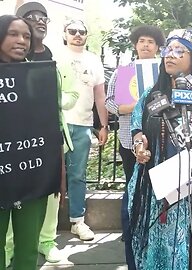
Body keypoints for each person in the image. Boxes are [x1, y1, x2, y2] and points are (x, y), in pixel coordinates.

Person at [128, 28, 192, 269]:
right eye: (168, 50)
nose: (170, 55)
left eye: (179, 51)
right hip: (160, 184)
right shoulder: (152, 95)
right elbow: (137, 127)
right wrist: (139, 145)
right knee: (162, 244)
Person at [2, 2, 73, 265]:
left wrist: (59, 173)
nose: (21, 40)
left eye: (26, 36)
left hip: (32, 177)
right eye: (13, 34)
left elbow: (52, 124)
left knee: (28, 248)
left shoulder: (44, 74)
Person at [105, 24, 165, 270]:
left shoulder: (164, 71)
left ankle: (155, 229)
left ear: (157, 46)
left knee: (159, 186)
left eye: (151, 41)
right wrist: (132, 107)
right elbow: (109, 102)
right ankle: (131, 229)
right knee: (133, 184)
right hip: (130, 141)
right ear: (135, 44)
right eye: (142, 41)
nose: (146, 45)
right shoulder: (123, 72)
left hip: (160, 141)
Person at [56, 19, 108, 241]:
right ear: (65, 33)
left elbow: (100, 95)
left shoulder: (94, 60)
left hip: (84, 124)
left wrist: (103, 125)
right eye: (72, 31)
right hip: (56, 123)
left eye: (82, 31)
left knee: (77, 175)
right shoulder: (55, 55)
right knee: (51, 174)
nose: (77, 35)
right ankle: (44, 225)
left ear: (87, 35)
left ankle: (78, 221)